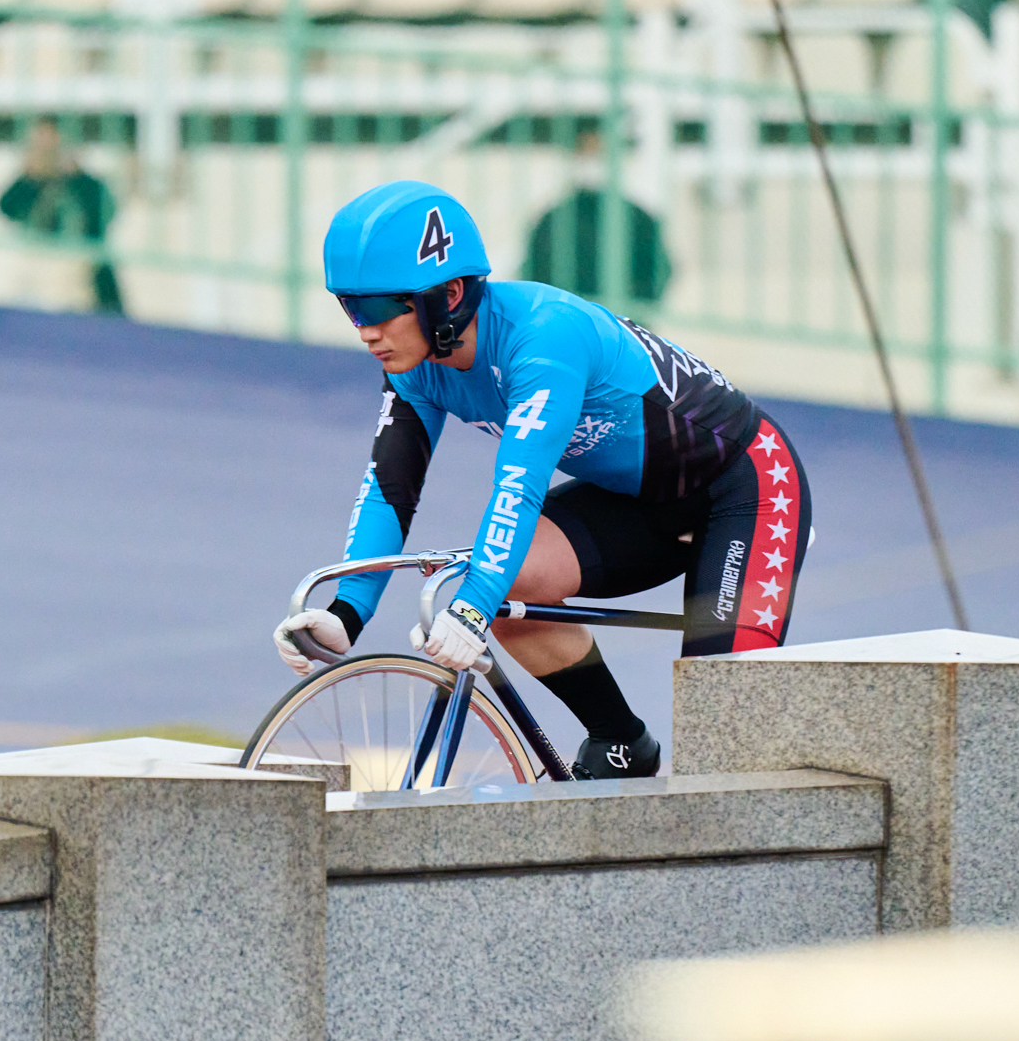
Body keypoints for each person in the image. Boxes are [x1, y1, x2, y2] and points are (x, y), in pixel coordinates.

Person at [271, 181, 814, 780]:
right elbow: (389, 490)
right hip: (639, 499)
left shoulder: (543, 337)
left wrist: (470, 610)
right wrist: (347, 612)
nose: (364, 330)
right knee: (504, 591)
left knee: (722, 752)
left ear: (448, 295)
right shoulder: (419, 367)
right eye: (349, 308)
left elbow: (517, 486)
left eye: (376, 309)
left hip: (745, 489)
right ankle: (620, 741)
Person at [521, 130, 672, 306]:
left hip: (616, 323)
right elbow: (533, 274)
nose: (592, 160)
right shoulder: (553, 220)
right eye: (585, 152)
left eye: (598, 153)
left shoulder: (640, 220)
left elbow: (659, 272)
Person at [0, 118, 125, 315]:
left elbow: (102, 216)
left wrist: (75, 174)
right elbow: (5, 207)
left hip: (84, 290)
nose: (49, 154)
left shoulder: (86, 186)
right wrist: (31, 175)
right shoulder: (31, 186)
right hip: (41, 287)